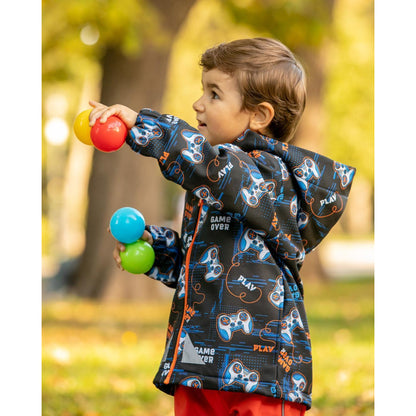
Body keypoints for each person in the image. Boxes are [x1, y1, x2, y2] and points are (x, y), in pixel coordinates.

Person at [89, 38, 355, 416]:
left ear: (259, 115)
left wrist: (145, 126)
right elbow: (205, 264)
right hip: (200, 363)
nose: (198, 103)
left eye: (214, 94)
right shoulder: (214, 185)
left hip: (261, 370)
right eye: (203, 90)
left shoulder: (268, 175)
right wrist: (157, 248)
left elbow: (211, 168)